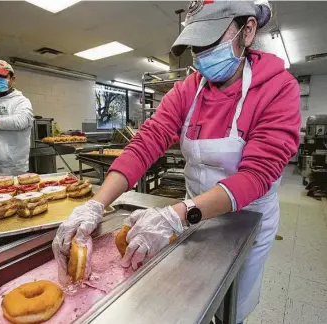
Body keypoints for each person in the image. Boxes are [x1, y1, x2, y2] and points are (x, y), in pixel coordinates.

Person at [52, 1, 301, 323]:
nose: (200, 53)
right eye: (195, 45)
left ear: (248, 30)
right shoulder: (188, 90)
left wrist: (176, 215)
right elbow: (145, 144)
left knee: (231, 306)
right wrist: (95, 205)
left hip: (246, 220)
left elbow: (258, 174)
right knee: (190, 297)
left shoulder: (279, 88)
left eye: (210, 40)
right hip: (192, 215)